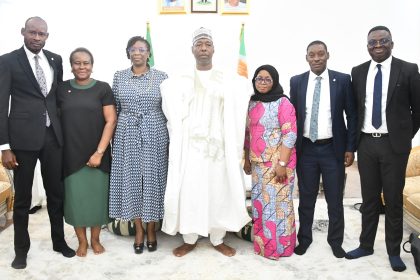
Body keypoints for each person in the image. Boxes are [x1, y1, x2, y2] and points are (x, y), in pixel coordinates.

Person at [161, 27, 252, 257]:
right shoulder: (181, 80)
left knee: (218, 190)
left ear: (214, 49)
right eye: (199, 44)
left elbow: (242, 93)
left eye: (207, 44)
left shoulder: (226, 80)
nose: (203, 48)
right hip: (191, 147)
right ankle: (189, 238)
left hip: (217, 147)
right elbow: (169, 97)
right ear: (192, 49)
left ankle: (217, 238)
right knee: (191, 190)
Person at [0, 16, 75, 269]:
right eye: (32, 33)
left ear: (47, 36)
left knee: (56, 193)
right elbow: (1, 105)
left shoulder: (55, 59)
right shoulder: (8, 61)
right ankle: (21, 250)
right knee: (22, 199)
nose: (36, 38)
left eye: (41, 34)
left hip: (53, 137)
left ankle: (59, 241)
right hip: (22, 139)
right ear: (23, 32)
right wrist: (4, 146)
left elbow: (58, 98)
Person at [346, 26, 420, 272]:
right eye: (372, 42)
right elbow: (355, 110)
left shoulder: (408, 70)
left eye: (382, 41)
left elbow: (417, 110)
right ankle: (366, 244)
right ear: (367, 46)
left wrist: (402, 137)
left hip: (393, 146)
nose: (377, 45)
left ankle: (393, 251)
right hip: (366, 144)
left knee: (393, 200)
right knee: (369, 200)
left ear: (392, 43)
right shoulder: (358, 72)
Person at [289, 40, 357, 258]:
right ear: (306, 57)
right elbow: (293, 116)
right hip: (306, 149)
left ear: (328, 55)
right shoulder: (297, 81)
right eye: (312, 55)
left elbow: (352, 115)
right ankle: (305, 239)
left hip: (332, 149)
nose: (316, 58)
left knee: (334, 199)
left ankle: (335, 241)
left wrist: (350, 147)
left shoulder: (343, 80)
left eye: (320, 54)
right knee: (306, 197)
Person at [109, 36, 169, 254]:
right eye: (133, 49)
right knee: (132, 179)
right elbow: (114, 108)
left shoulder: (162, 77)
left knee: (153, 180)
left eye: (142, 49)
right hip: (127, 131)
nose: (137, 52)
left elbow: (169, 109)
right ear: (128, 52)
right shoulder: (119, 77)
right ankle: (139, 230)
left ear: (148, 52)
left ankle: (152, 228)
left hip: (155, 132)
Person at [57, 48, 117, 257]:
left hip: (97, 153)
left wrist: (99, 152)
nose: (82, 67)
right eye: (77, 63)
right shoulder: (61, 89)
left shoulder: (103, 88)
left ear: (92, 65)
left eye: (86, 63)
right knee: (76, 201)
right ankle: (82, 241)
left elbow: (111, 120)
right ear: (71, 65)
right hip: (71, 155)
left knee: (96, 200)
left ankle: (95, 239)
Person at [243, 65, 297, 260]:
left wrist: (282, 164)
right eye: (259, 79)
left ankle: (281, 248)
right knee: (261, 205)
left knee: (279, 206)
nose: (263, 82)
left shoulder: (283, 103)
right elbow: (248, 133)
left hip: (278, 165)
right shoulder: (251, 102)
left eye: (267, 79)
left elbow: (290, 135)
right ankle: (264, 246)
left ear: (274, 81)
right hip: (258, 164)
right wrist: (247, 158)